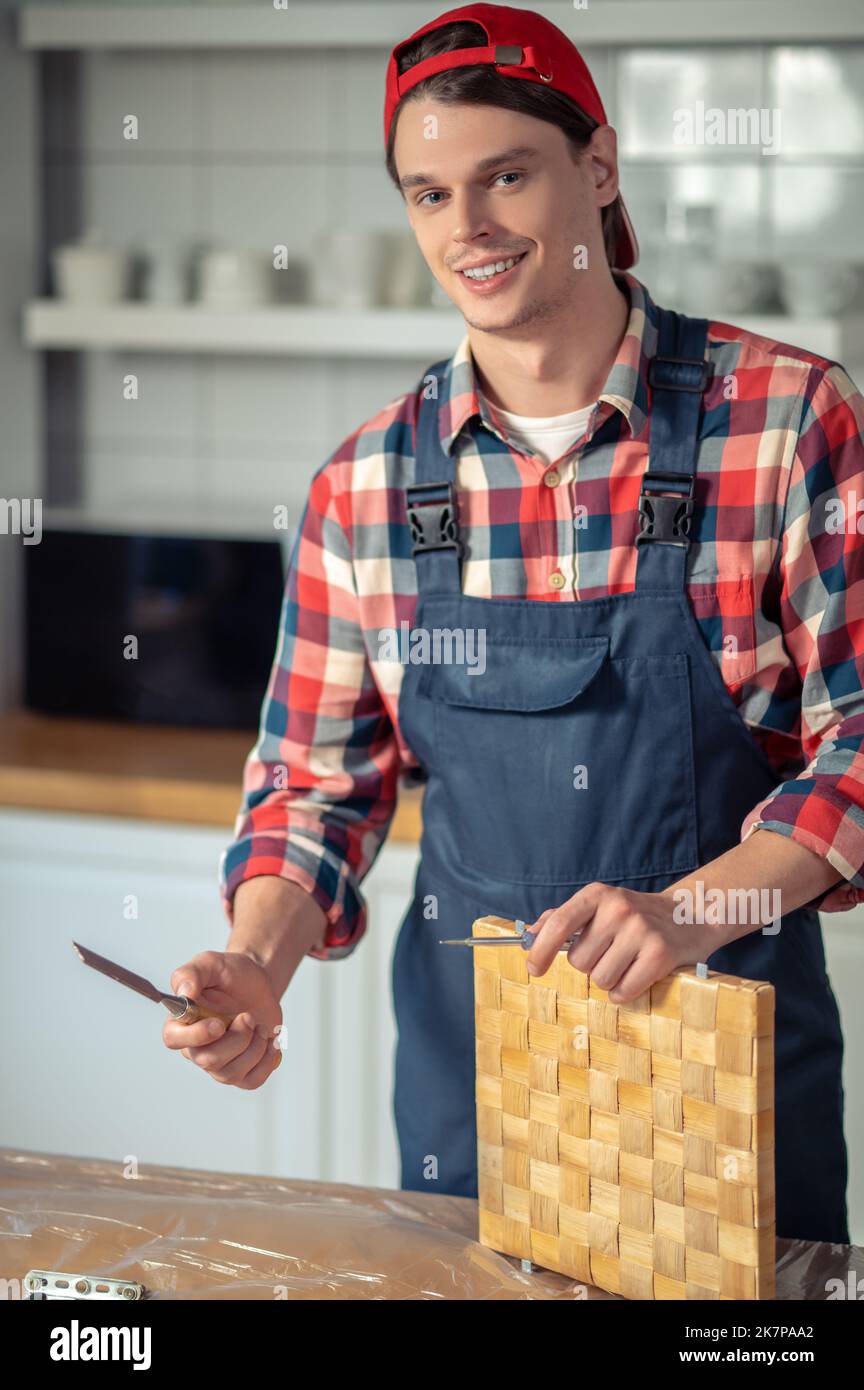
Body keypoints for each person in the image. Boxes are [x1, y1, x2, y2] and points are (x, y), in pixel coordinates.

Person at [162, 4, 864, 1243]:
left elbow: (859, 742)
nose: (468, 228)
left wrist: (687, 911)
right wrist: (257, 965)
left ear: (596, 168)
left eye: (505, 176)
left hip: (729, 1096)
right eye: (430, 195)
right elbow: (312, 789)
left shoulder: (787, 416)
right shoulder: (364, 485)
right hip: (473, 1100)